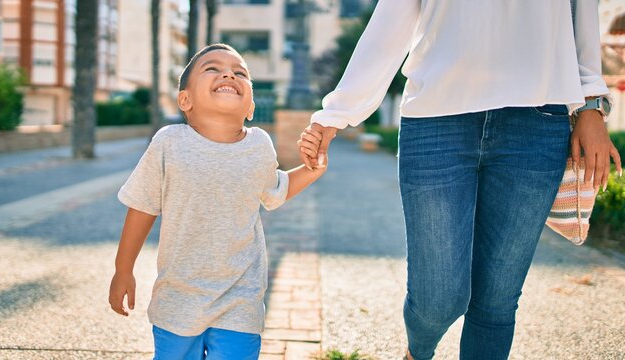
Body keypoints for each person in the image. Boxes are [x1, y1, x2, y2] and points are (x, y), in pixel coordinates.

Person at [298, 1, 623, 359]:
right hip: (437, 119)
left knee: (497, 299)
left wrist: (592, 104)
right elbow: (391, 19)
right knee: (437, 300)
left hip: (537, 122)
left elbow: (581, 12)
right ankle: (416, 353)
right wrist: (337, 113)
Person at [108, 43, 326, 360]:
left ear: (250, 106)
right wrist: (122, 269)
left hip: (241, 299)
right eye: (213, 68)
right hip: (177, 300)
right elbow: (142, 207)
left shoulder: (259, 145)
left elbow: (275, 190)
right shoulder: (169, 143)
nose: (228, 73)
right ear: (185, 100)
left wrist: (312, 170)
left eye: (240, 73)